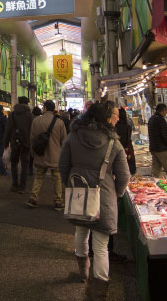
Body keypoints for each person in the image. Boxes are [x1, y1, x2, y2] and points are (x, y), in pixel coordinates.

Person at [59, 102, 130, 299]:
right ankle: (98, 292)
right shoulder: (113, 142)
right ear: (106, 118)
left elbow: (63, 165)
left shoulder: (73, 135)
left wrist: (70, 185)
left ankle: (83, 272)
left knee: (81, 232)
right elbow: (124, 176)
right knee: (100, 246)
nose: (117, 119)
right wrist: (117, 194)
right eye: (114, 115)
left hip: (79, 192)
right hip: (104, 196)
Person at [28, 100, 68, 210]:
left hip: (41, 153)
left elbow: (32, 138)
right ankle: (58, 201)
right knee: (57, 178)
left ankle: (33, 198)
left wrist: (33, 152)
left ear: (45, 108)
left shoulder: (36, 121)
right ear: (53, 109)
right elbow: (64, 141)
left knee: (39, 176)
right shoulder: (60, 122)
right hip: (55, 154)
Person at [4, 96, 34, 194]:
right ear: (27, 103)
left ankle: (14, 184)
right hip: (26, 143)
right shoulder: (30, 116)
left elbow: (8, 130)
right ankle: (22, 186)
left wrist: (5, 143)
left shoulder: (12, 115)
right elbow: (32, 131)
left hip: (15, 142)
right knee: (25, 165)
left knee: (14, 163)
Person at [148, 104, 167, 178]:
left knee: (155, 171)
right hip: (161, 149)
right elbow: (164, 135)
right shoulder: (161, 120)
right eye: (166, 110)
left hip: (153, 148)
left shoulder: (151, 119)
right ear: (164, 110)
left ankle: (154, 183)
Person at [116, 109, 135, 176]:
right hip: (128, 152)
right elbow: (128, 140)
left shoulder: (114, 128)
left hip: (117, 152)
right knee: (129, 171)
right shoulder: (128, 127)